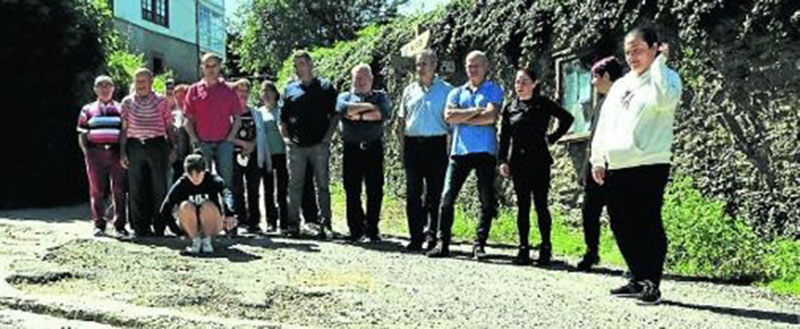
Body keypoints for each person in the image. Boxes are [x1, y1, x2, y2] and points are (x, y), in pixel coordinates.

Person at [590, 26, 682, 305]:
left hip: (649, 162)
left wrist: (659, 65)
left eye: (639, 50)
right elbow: (604, 125)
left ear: (656, 47)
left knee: (647, 222)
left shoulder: (666, 78)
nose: (632, 57)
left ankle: (651, 282)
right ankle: (637, 277)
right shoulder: (620, 85)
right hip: (618, 163)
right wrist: (598, 158)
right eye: (628, 51)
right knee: (621, 223)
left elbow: (665, 101)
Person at [427, 50, 502, 260]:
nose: (472, 69)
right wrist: (476, 111)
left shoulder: (494, 90)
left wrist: (464, 116)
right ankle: (443, 243)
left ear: (486, 66)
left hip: (485, 151)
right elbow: (449, 116)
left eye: (476, 65)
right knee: (447, 198)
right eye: (469, 66)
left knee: (486, 200)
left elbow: (490, 117)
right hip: (459, 151)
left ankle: (479, 244)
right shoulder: (457, 92)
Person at [498, 68, 574, 265]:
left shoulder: (543, 104)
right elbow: (505, 137)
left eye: (524, 82)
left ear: (534, 83)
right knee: (523, 206)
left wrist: (553, 137)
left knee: (541, 205)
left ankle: (545, 248)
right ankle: (523, 248)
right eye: (517, 82)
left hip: (539, 161)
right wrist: (502, 161)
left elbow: (567, 118)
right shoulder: (510, 108)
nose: (519, 86)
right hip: (518, 162)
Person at [397, 50, 452, 251]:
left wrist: (448, 147)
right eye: (418, 64)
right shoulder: (409, 90)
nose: (420, 68)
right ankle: (415, 236)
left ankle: (432, 235)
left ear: (434, 66)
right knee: (413, 193)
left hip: (437, 145)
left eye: (425, 64)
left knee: (435, 194)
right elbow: (402, 121)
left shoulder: (447, 90)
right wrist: (403, 147)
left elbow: (451, 124)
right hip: (413, 145)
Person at [280, 50, 339, 238]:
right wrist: (287, 140)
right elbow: (283, 119)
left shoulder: (326, 87)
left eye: (302, 63)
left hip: (319, 145)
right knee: (295, 186)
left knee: (322, 185)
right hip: (296, 146)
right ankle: (293, 225)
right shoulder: (290, 89)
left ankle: (326, 225)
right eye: (296, 64)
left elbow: (335, 114)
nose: (299, 67)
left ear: (310, 64)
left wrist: (328, 138)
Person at [576, 56, 623, 271]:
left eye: (595, 77)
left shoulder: (623, 101)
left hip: (615, 166)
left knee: (620, 216)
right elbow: (595, 138)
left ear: (605, 76)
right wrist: (588, 168)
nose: (593, 83)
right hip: (596, 167)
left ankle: (633, 263)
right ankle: (591, 252)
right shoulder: (602, 102)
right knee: (589, 211)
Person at [336, 64, 393, 242]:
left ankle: (372, 229)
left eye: (364, 77)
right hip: (351, 149)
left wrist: (357, 114)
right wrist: (369, 108)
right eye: (357, 78)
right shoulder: (344, 96)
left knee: (375, 190)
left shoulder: (381, 96)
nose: (360, 81)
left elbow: (382, 113)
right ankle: (356, 230)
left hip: (373, 148)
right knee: (352, 190)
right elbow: (344, 110)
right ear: (352, 79)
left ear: (371, 79)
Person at [120, 68, 176, 238]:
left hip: (157, 145)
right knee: (136, 188)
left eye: (144, 81)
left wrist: (173, 148)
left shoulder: (161, 101)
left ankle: (159, 227)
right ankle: (140, 228)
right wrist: (122, 152)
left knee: (159, 188)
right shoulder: (127, 102)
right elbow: (124, 129)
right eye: (137, 81)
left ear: (151, 82)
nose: (140, 85)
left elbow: (169, 127)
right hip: (135, 145)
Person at [184, 53, 243, 190]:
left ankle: (227, 210)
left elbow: (237, 118)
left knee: (226, 182)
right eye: (207, 66)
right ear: (202, 68)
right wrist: (195, 140)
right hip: (202, 143)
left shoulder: (229, 89)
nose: (211, 69)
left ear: (220, 67)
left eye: (214, 66)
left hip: (224, 143)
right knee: (201, 181)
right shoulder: (193, 90)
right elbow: (188, 120)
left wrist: (230, 138)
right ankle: (206, 210)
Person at [77, 75, 128, 237]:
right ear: (95, 89)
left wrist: (123, 152)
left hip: (115, 152)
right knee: (97, 190)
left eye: (108, 85)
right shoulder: (87, 109)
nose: (104, 89)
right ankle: (99, 224)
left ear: (113, 88)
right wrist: (87, 153)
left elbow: (125, 132)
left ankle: (120, 226)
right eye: (100, 86)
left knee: (119, 189)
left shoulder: (122, 109)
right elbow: (82, 133)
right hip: (95, 153)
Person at [159, 153, 237, 254]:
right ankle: (195, 241)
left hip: (212, 222)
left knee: (207, 205)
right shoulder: (182, 183)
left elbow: (226, 193)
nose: (195, 178)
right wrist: (177, 231)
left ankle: (207, 241)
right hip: (189, 224)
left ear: (204, 171)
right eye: (191, 174)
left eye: (198, 173)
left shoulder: (212, 179)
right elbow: (165, 208)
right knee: (185, 206)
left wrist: (229, 213)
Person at [230, 78, 269, 234]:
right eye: (240, 90)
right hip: (234, 155)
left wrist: (251, 146)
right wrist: (243, 144)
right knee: (237, 188)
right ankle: (240, 220)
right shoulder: (228, 112)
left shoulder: (256, 113)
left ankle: (255, 222)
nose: (243, 94)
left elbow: (260, 135)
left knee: (253, 189)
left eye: (246, 91)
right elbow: (226, 134)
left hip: (253, 155)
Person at [167, 82, 192, 185]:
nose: (180, 101)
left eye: (183, 97)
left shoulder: (195, 114)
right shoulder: (174, 115)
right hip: (177, 156)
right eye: (177, 98)